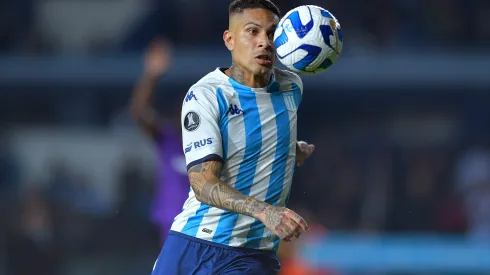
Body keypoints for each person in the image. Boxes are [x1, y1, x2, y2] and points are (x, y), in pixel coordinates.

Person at [151, 0, 316, 274]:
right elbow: (203, 183)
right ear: (229, 39)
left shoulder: (291, 87)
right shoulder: (205, 96)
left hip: (251, 255)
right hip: (193, 245)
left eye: (272, 33)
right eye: (252, 31)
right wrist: (265, 211)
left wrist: (290, 150)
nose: (264, 42)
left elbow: (259, 132)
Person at [130, 39, 189, 243]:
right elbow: (139, 113)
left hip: (204, 223)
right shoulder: (168, 137)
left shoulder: (213, 142)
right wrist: (151, 76)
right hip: (171, 219)